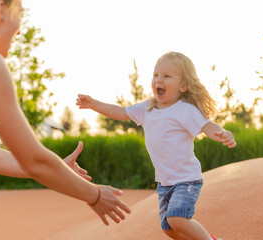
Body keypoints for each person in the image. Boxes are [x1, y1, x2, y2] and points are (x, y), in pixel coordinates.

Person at [0, 0, 130, 226]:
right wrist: (94, 195)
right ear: (0, 10)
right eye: (20, 14)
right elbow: (35, 161)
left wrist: (58, 168)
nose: (19, 30)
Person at [76, 51, 236, 240]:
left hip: (186, 180)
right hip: (165, 182)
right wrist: (94, 104)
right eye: (156, 75)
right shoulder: (147, 108)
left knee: (177, 218)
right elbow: (120, 112)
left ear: (183, 85)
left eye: (167, 76)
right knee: (168, 228)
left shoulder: (185, 110)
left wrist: (222, 133)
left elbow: (207, 126)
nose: (159, 79)